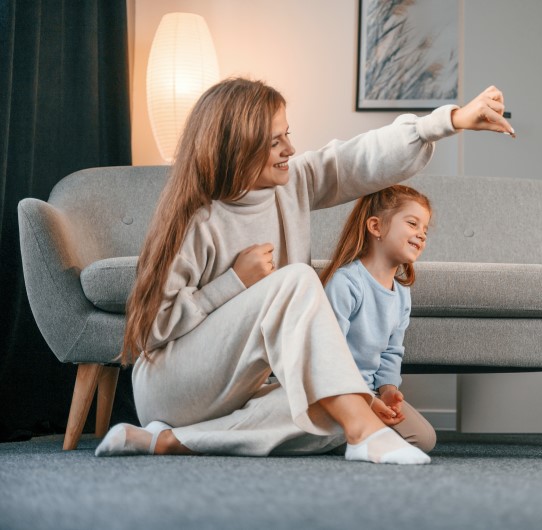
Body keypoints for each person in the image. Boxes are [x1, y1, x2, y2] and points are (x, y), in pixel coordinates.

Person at [95, 77, 514, 464]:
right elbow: (154, 330)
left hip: (240, 390)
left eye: (287, 135)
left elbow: (358, 157)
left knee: (330, 405)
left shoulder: (293, 184)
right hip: (171, 387)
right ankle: (363, 433)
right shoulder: (197, 219)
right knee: (298, 281)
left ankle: (166, 441)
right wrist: (234, 282)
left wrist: (451, 120)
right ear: (236, 146)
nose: (290, 150)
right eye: (274, 141)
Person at [320, 185, 435, 453]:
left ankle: (352, 434)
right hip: (337, 390)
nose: (421, 234)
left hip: (371, 393)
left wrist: (387, 390)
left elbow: (392, 352)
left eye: (425, 229)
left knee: (424, 439)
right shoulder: (346, 283)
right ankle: (346, 430)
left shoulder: (402, 294)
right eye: (412, 223)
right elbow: (328, 356)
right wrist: (365, 401)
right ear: (376, 227)